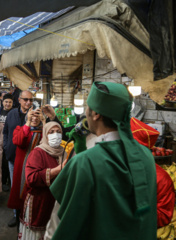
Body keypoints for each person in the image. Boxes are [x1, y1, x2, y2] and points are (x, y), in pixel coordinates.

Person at [49, 82, 157, 239]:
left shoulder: (83, 163)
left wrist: (81, 158)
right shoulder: (146, 156)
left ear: (96, 114)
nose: (85, 112)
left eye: (87, 106)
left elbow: (61, 224)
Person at [19, 122, 67, 240]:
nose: (55, 135)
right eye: (51, 132)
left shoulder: (63, 152)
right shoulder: (38, 152)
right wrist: (58, 169)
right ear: (45, 135)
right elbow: (31, 178)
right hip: (39, 202)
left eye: (58, 132)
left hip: (55, 204)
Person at [8, 108, 45, 232]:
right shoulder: (20, 129)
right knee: (21, 198)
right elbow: (18, 140)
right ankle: (19, 226)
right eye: (31, 116)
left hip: (38, 170)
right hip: (22, 170)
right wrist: (28, 122)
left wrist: (45, 122)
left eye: (37, 116)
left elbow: (49, 141)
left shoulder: (43, 131)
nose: (34, 118)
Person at [3, 90, 33, 227]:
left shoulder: (35, 115)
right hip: (13, 157)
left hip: (29, 159)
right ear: (19, 100)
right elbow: (6, 132)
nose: (28, 102)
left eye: (30, 100)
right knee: (15, 187)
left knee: (28, 187)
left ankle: (26, 216)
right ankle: (16, 216)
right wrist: (6, 146)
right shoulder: (12, 114)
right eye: (25, 99)